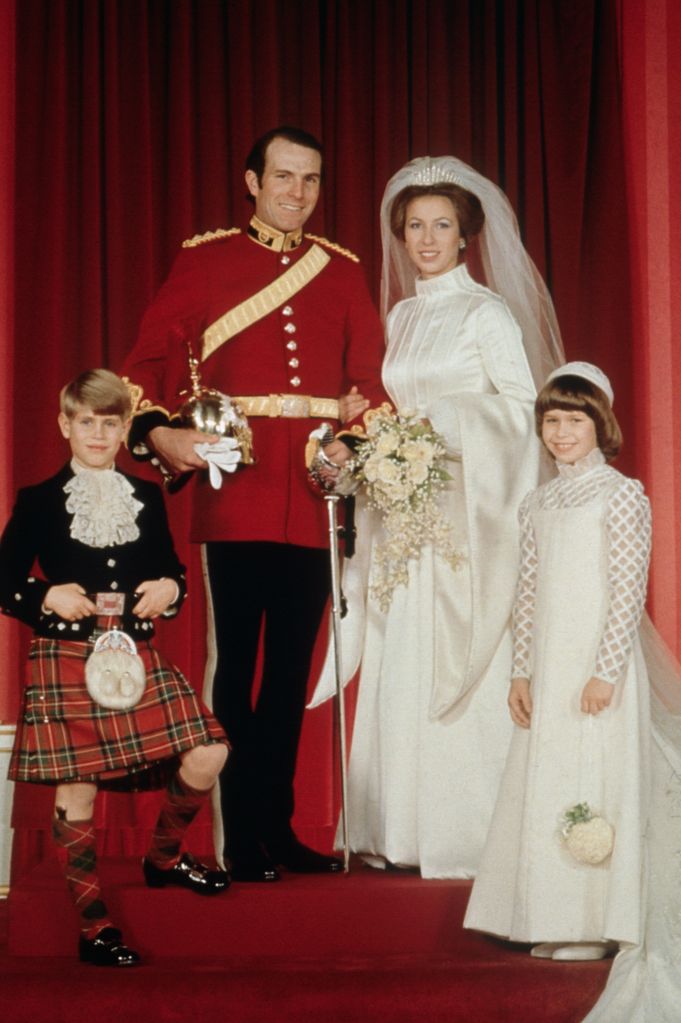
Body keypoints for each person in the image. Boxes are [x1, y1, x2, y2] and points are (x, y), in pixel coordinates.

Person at [121, 126, 387, 882]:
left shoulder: (340, 272)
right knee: (235, 665)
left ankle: (278, 825)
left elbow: (367, 383)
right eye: (282, 176)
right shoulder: (205, 260)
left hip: (310, 493)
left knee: (291, 671)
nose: (296, 192)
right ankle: (238, 834)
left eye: (309, 180)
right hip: (235, 489)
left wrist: (352, 442)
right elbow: (142, 364)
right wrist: (158, 434)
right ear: (251, 181)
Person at [310, 156, 563, 878]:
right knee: (401, 645)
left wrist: (431, 431)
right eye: (414, 225)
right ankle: (397, 826)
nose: (426, 238)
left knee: (457, 646)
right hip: (401, 511)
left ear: (465, 236)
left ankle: (466, 827)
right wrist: (376, 443)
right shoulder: (402, 313)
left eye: (441, 225)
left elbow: (521, 410)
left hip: (464, 519)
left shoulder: (486, 311)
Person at [465, 363, 681, 1021]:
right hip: (549, 666)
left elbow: (626, 590)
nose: (561, 432)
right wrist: (520, 672)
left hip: (595, 666)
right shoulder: (538, 502)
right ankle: (553, 914)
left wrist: (605, 670)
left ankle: (594, 916)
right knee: (549, 779)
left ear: (599, 425)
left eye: (574, 420)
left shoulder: (619, 494)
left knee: (595, 777)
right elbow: (526, 595)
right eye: (552, 420)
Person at [0, 369, 230, 967]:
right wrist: (44, 597)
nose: (97, 434)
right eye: (86, 422)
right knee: (78, 785)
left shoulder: (147, 497)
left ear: (126, 428)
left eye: (110, 423)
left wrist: (168, 588)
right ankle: (94, 926)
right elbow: (3, 580)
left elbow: (172, 571)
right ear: (65, 425)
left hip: (130, 646)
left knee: (208, 751)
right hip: (66, 650)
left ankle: (164, 857)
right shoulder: (39, 500)